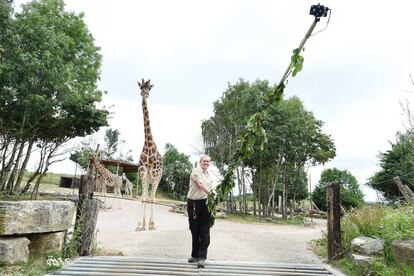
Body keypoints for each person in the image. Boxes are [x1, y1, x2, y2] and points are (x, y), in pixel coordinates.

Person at [186, 154, 213, 268]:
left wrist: (212, 197)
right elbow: (200, 184)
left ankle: (202, 257)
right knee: (194, 230)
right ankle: (195, 255)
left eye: (208, 161)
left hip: (205, 203)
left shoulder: (208, 175)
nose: (206, 163)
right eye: (204, 161)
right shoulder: (195, 172)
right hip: (194, 204)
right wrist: (211, 194)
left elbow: (209, 187)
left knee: (205, 230)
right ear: (200, 162)